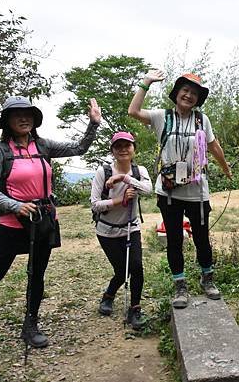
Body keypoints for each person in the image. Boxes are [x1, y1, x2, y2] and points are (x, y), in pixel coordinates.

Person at [0, 96, 101, 348]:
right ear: (7, 120)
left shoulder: (43, 146)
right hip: (13, 223)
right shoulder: (1, 151)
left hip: (43, 221)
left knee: (36, 274)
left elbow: (79, 148)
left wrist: (93, 124)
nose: (23, 118)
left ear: (35, 118)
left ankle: (30, 324)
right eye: (17, 114)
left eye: (28, 114)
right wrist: (15, 205)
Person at [128, 70, 231, 309]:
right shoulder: (161, 117)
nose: (189, 95)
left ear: (198, 98)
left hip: (197, 190)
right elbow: (133, 111)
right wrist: (146, 82)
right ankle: (180, 285)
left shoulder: (201, 120)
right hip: (170, 191)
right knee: (174, 239)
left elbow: (214, 145)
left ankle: (208, 278)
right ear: (177, 94)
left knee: (202, 238)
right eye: (185, 91)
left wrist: (226, 168)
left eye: (194, 93)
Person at [91, 132, 153, 330]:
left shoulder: (139, 170)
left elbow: (148, 189)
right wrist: (121, 200)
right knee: (122, 271)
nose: (124, 149)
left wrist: (124, 178)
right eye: (118, 146)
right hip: (107, 231)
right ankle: (109, 295)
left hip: (130, 227)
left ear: (134, 148)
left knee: (136, 266)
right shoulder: (103, 172)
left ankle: (135, 308)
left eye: (127, 145)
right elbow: (95, 204)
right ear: (113, 151)